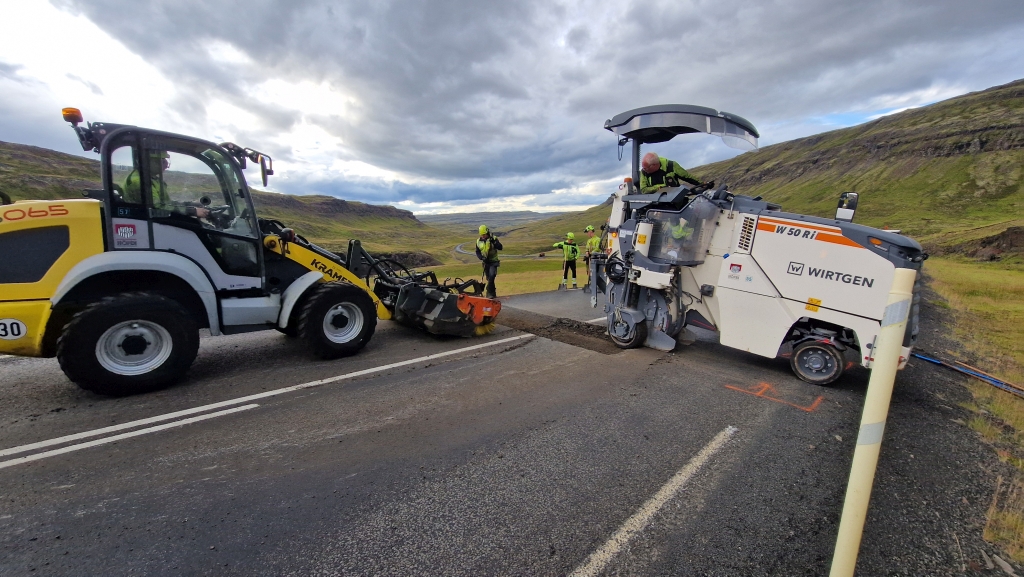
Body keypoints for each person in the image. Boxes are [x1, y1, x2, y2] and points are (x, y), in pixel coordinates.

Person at [122, 150, 209, 218]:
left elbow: (166, 203)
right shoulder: (139, 182)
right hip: (151, 223)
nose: (167, 164)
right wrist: (193, 211)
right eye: (162, 160)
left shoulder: (150, 178)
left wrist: (191, 204)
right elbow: (157, 207)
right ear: (151, 161)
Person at [639, 152, 704, 194]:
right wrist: (660, 188)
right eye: (643, 168)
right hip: (656, 204)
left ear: (654, 165)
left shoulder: (671, 166)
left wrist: (702, 184)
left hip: (675, 201)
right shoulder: (644, 172)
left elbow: (687, 177)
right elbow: (644, 190)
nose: (644, 170)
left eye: (646, 168)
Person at [475, 225, 502, 298]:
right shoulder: (478, 241)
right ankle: (493, 293)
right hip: (486, 262)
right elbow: (477, 252)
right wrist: (481, 258)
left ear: (487, 232)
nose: (483, 236)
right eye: (482, 235)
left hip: (494, 262)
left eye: (484, 234)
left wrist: (494, 242)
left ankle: (489, 293)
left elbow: (500, 247)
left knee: (492, 275)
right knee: (489, 278)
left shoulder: (494, 238)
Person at [583, 225, 601, 290]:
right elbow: (587, 248)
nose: (587, 234)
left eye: (587, 232)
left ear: (590, 231)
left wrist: (591, 253)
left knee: (596, 272)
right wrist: (587, 252)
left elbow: (597, 248)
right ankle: (591, 284)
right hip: (590, 258)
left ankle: (598, 285)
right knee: (590, 271)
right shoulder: (589, 240)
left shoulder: (598, 239)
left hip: (596, 259)